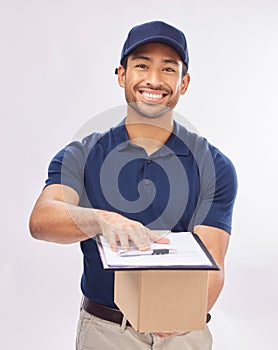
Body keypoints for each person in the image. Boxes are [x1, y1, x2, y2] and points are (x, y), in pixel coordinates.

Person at [29, 20, 237, 350]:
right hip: (106, 333)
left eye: (168, 69)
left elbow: (214, 262)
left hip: (185, 332)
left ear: (184, 83)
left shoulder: (214, 165)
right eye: (142, 65)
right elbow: (41, 220)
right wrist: (99, 219)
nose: (154, 80)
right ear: (122, 75)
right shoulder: (81, 155)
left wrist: (183, 314)